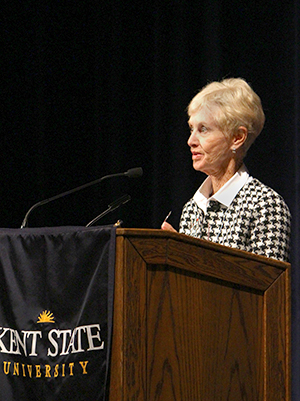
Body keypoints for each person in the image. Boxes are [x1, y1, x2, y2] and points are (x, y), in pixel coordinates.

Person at [161, 78, 291, 262]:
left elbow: (267, 287)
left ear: (237, 138)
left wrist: (190, 258)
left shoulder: (265, 206)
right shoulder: (192, 208)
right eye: (191, 129)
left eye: (203, 129)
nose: (191, 141)